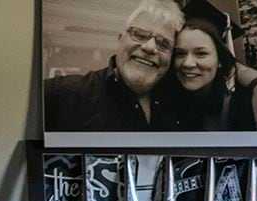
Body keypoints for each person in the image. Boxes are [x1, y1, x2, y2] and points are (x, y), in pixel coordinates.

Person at [44, 0, 185, 131]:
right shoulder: (63, 95)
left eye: (163, 44)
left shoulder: (180, 105)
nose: (149, 47)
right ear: (120, 40)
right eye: (140, 35)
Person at [164, 13, 257, 132]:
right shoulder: (164, 100)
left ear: (220, 60)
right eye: (180, 53)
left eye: (201, 53)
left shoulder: (246, 105)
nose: (187, 63)